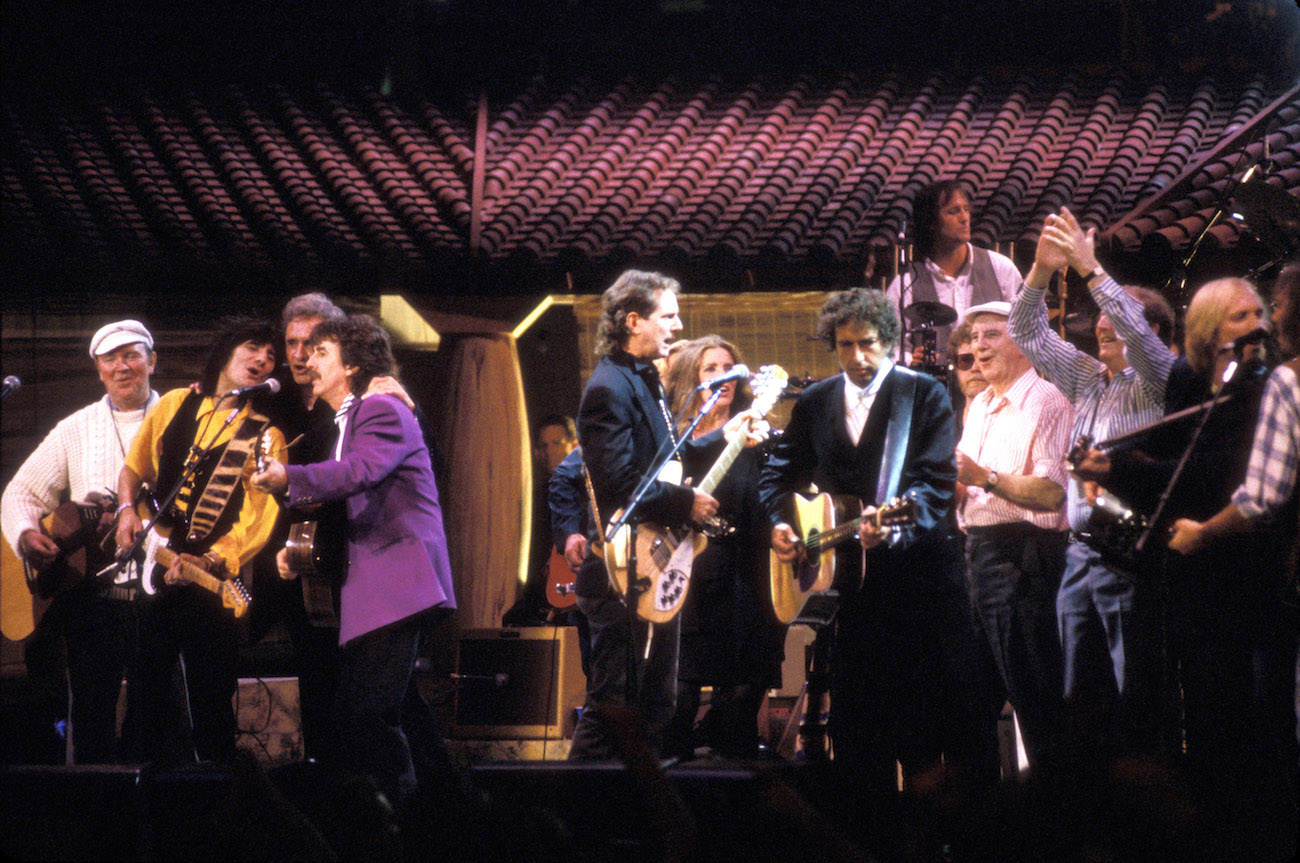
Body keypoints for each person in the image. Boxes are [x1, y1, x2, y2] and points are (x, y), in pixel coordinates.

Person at [758, 289, 999, 823]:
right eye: (845, 346)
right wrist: (780, 520)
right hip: (851, 594)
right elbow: (779, 473)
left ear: (888, 341)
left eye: (867, 344)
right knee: (859, 729)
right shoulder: (816, 401)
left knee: (926, 725)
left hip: (922, 589)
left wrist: (891, 534)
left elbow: (936, 485)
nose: (857, 357)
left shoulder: (924, 395)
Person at [251, 314, 456, 813]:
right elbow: (350, 490)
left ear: (355, 364)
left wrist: (287, 477)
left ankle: (401, 821)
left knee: (366, 715)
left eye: (321, 352)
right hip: (380, 586)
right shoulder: (347, 418)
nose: (306, 359)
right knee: (400, 710)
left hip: (397, 581)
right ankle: (449, 808)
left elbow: (359, 472)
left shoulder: (380, 407)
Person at [567, 270, 763, 761]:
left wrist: (715, 447)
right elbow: (618, 483)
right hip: (621, 570)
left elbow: (660, 463)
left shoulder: (642, 378)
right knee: (614, 706)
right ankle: (570, 813)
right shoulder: (608, 387)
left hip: (654, 566)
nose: (678, 326)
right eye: (668, 316)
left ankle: (640, 813)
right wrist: (684, 503)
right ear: (634, 321)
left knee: (655, 704)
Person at [1011, 208, 1178, 755]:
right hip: (1079, 555)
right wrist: (1039, 272)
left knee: (1135, 697)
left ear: (1153, 332)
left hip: (1129, 551)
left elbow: (1131, 325)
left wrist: (1090, 268)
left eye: (1117, 320)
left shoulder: (1159, 378)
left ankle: (1148, 803)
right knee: (1079, 699)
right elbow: (1025, 332)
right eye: (1098, 320)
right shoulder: (1087, 376)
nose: (1101, 325)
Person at [115, 317, 285, 764]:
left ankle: (218, 811)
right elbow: (134, 468)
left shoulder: (265, 436)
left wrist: (212, 559)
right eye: (254, 348)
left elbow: (258, 518)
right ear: (226, 351)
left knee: (212, 707)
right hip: (157, 569)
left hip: (210, 585)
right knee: (145, 697)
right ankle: (136, 803)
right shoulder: (174, 403)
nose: (263, 359)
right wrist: (126, 511)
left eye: (271, 356)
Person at [1, 320, 159, 763]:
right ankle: (97, 818)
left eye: (132, 355)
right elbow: (20, 493)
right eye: (110, 359)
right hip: (92, 597)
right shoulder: (77, 427)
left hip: (157, 593)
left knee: (154, 716)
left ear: (153, 360)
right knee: (90, 717)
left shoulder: (178, 420)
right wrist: (26, 534)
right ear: (98, 371)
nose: (122, 366)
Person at [955, 299, 1073, 771]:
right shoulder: (980, 404)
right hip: (976, 558)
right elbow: (964, 479)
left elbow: (1050, 493)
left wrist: (985, 477)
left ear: (1026, 341)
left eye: (992, 335)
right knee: (970, 705)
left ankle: (1056, 819)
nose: (978, 347)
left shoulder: (1046, 401)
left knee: (1036, 702)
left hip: (1024, 560)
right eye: (974, 336)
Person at [662, 335, 785, 758]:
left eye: (729, 367)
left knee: (738, 710)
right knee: (677, 708)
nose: (722, 376)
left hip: (746, 583)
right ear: (691, 378)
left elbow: (776, 501)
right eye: (710, 368)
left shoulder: (760, 438)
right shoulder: (676, 439)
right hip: (689, 580)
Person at [886, 181, 1022, 365]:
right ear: (931, 222)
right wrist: (910, 360)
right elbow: (888, 347)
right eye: (953, 211)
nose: (964, 218)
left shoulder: (1000, 268)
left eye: (966, 209)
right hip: (936, 390)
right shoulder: (906, 283)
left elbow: (1025, 330)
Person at [504, 414, 578, 626]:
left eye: (556, 443)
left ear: (575, 446)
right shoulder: (535, 499)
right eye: (543, 446)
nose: (549, 452)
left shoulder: (587, 493)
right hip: (544, 597)